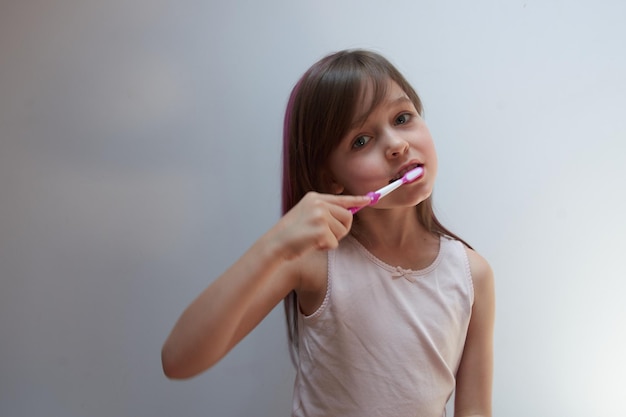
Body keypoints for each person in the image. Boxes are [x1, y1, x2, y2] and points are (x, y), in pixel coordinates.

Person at [161, 49, 495, 417]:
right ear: (330, 179)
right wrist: (275, 245)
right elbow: (179, 359)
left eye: (403, 118)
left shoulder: (471, 274)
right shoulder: (316, 260)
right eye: (361, 141)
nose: (397, 145)